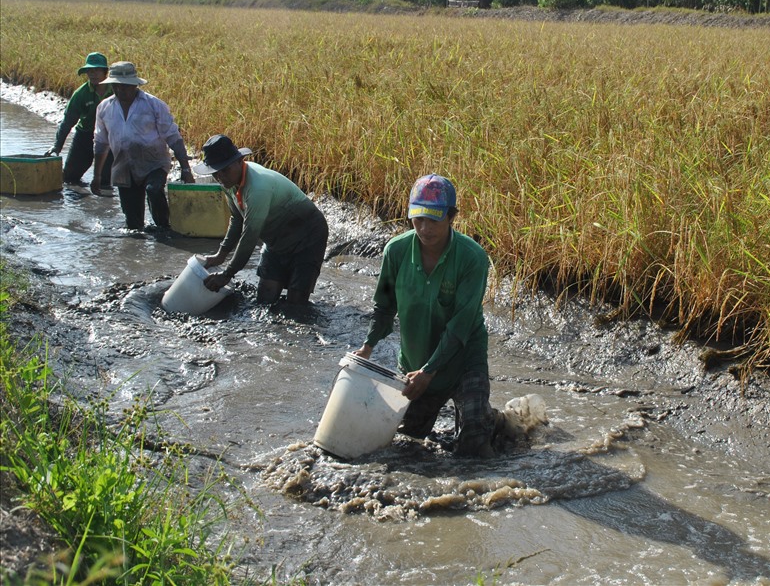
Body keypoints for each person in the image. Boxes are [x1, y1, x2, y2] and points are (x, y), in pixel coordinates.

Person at [352, 174, 499, 458]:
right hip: (415, 364)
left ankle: (485, 418)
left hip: (463, 359)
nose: (425, 228)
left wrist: (430, 371)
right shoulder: (395, 251)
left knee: (475, 446)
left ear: (452, 217)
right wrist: (368, 347)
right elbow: (383, 306)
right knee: (403, 446)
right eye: (418, 219)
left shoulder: (472, 258)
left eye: (433, 220)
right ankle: (481, 416)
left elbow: (460, 325)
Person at [194, 134, 330, 305]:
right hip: (276, 241)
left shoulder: (258, 188)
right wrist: (221, 254)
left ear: (240, 161)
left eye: (225, 170)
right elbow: (237, 219)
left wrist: (227, 274)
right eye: (215, 173)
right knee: (265, 299)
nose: (221, 177)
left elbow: (250, 235)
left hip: (307, 235)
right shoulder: (230, 184)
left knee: (296, 304)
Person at [90, 61, 195, 230]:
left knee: (153, 190)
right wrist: (97, 176)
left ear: (135, 85)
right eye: (116, 86)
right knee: (133, 225)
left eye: (124, 86)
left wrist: (185, 169)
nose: (120, 91)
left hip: (154, 163)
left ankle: (164, 228)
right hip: (123, 165)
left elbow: (173, 137)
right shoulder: (104, 108)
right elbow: (101, 143)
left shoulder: (153, 105)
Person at [44, 52, 114, 186]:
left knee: (106, 182)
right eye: (89, 71)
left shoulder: (116, 91)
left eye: (96, 70)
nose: (92, 74)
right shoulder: (81, 94)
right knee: (69, 179)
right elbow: (67, 122)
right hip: (85, 136)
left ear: (105, 71)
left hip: (110, 138)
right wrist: (57, 145)